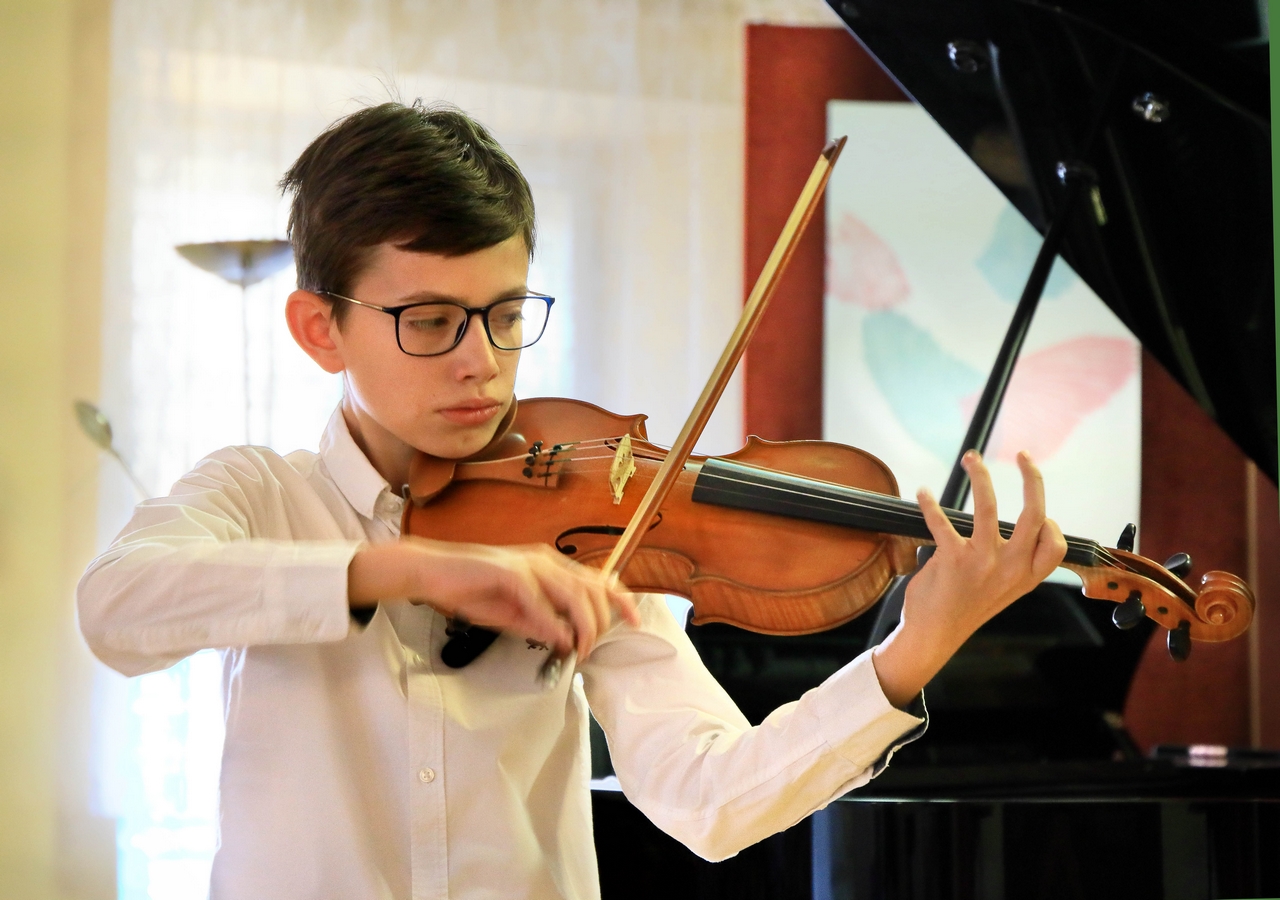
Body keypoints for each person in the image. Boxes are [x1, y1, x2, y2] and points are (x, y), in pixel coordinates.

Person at [78, 101, 1066, 900]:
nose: (482, 362)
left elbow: (711, 800)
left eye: (506, 315)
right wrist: (402, 569)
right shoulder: (260, 494)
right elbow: (115, 608)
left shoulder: (589, 532)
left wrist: (912, 652)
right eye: (431, 320)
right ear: (319, 329)